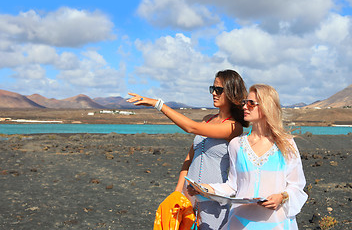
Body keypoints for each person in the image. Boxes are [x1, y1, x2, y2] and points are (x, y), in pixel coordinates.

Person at [127, 69, 249, 229]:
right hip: (188, 198)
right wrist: (178, 192)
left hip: (212, 201)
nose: (214, 93)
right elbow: (189, 159)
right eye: (213, 89)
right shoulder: (207, 120)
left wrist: (158, 104)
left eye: (219, 90)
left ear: (232, 92)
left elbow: (191, 127)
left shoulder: (234, 127)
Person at [201, 84, 308, 230]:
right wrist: (204, 188)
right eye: (244, 103)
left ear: (266, 107)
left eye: (251, 103)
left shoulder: (286, 143)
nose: (245, 107)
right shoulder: (236, 144)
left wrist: (281, 197)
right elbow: (232, 186)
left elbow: (296, 185)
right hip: (240, 224)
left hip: (277, 224)